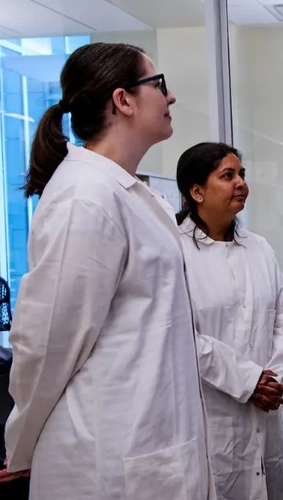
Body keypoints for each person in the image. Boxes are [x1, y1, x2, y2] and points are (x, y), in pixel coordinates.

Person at [0, 42, 216, 499]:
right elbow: (46, 342)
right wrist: (19, 445)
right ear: (123, 100)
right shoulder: (86, 197)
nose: (170, 96)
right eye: (158, 85)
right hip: (105, 462)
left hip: (149, 449)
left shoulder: (129, 194)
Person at [176, 142, 283, 500]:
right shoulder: (173, 251)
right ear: (196, 191)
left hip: (267, 406)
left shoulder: (259, 248)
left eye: (242, 174)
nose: (241, 184)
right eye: (228, 176)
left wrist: (274, 379)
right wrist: (248, 380)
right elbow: (178, 334)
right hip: (211, 410)